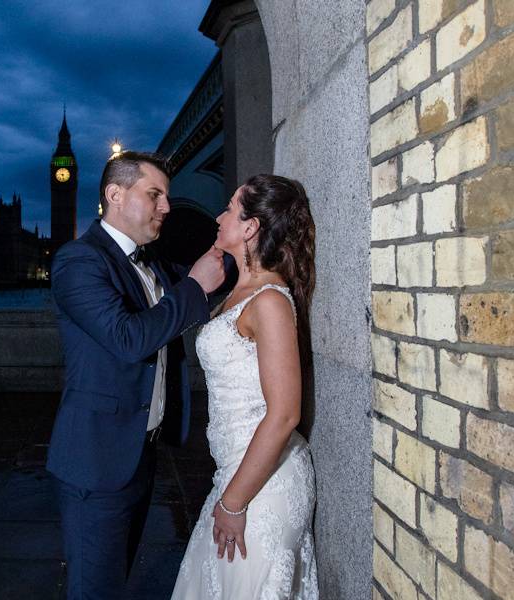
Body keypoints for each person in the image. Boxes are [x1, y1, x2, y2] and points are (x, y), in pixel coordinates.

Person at [47, 151, 226, 600]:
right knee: (93, 589)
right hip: (96, 462)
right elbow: (128, 338)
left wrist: (237, 243)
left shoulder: (154, 263)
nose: (166, 206)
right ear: (115, 195)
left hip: (139, 455)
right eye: (155, 195)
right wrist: (194, 287)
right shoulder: (78, 261)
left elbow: (208, 288)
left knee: (114, 579)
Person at [171, 174, 319, 599]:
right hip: (233, 475)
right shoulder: (238, 292)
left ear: (251, 227)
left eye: (231, 209)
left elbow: (285, 412)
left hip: (261, 488)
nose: (218, 217)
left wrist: (234, 503)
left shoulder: (269, 301)